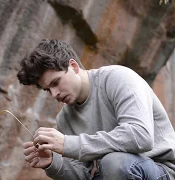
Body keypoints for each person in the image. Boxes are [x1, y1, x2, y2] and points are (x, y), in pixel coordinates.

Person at [17, 39, 175, 180]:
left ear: (73, 66)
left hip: (162, 170)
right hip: (112, 174)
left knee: (114, 163)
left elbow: (141, 136)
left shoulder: (118, 78)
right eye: (47, 90)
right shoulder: (64, 119)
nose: (54, 94)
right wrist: (52, 162)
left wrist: (68, 144)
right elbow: (84, 175)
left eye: (56, 82)